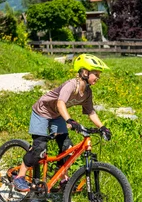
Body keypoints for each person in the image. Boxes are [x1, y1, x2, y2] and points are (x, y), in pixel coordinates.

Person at [13, 54, 113, 192]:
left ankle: (62, 179)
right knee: (39, 148)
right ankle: (19, 177)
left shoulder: (87, 92)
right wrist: (69, 120)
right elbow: (61, 103)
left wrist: (102, 127)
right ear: (85, 72)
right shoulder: (71, 85)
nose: (98, 78)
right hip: (42, 111)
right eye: (96, 74)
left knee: (67, 147)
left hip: (57, 115)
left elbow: (91, 112)